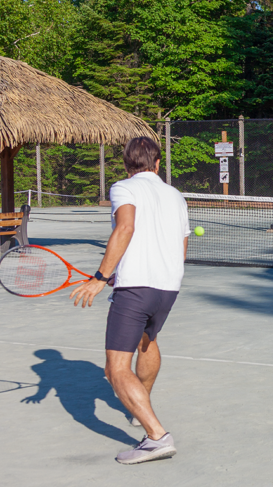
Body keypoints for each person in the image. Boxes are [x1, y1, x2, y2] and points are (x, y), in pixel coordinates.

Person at [69, 136, 190, 465]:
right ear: (157, 164)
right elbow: (182, 243)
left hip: (135, 288)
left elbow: (125, 228)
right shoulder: (176, 195)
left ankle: (157, 437)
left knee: (115, 368)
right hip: (168, 287)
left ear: (126, 165)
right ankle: (141, 407)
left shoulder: (124, 187)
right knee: (147, 341)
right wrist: (170, 277)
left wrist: (99, 278)